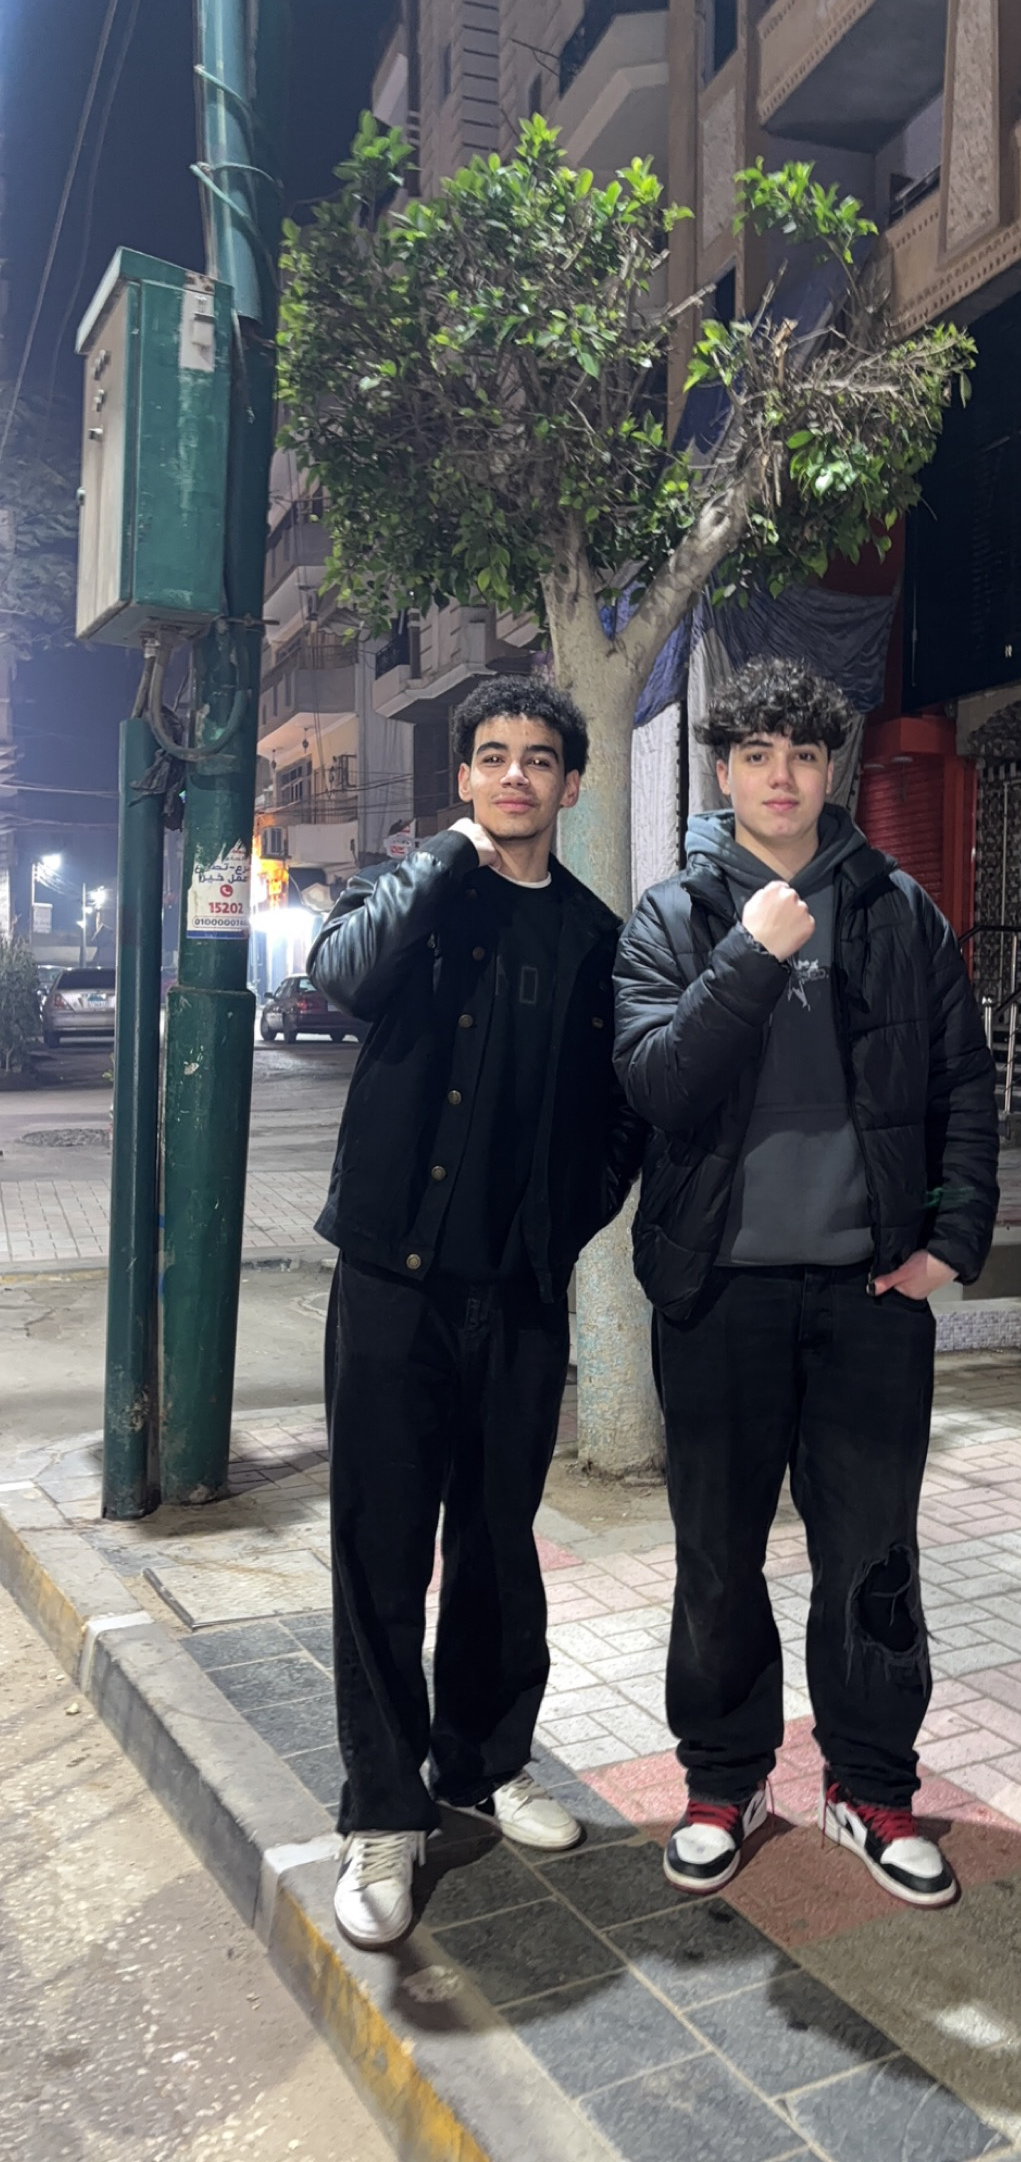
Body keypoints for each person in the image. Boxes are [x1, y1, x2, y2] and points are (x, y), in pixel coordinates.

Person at [614, 656, 998, 1910]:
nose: (782, 776)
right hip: (719, 1295)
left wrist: (951, 1239)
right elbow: (659, 1084)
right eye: (757, 754)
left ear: (832, 770)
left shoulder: (898, 910)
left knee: (872, 1556)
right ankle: (725, 1781)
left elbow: (961, 1085)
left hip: (868, 1300)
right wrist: (752, 954)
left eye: (805, 754)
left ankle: (871, 1787)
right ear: (724, 771)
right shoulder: (674, 917)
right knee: (718, 1557)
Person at [309, 675, 646, 1949]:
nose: (515, 775)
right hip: (390, 1286)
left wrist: (557, 1229)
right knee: (382, 1548)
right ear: (463, 779)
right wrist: (444, 859)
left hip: (516, 1295)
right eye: (492, 757)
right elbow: (343, 977)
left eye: (538, 759)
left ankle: (485, 1763)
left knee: (499, 1544)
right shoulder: (412, 894)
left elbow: (623, 1115)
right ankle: (383, 1813)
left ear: (572, 782)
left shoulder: (597, 938)